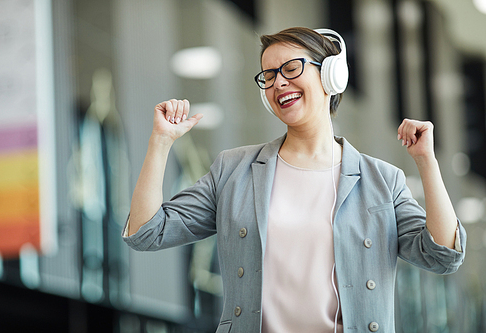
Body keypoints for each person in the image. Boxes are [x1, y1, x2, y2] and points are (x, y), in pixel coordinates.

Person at [122, 27, 466, 333]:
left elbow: (442, 256)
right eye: (268, 76)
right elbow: (146, 233)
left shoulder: (381, 181)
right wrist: (161, 142)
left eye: (290, 68)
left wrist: (426, 162)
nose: (278, 83)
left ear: (332, 76)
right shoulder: (233, 170)